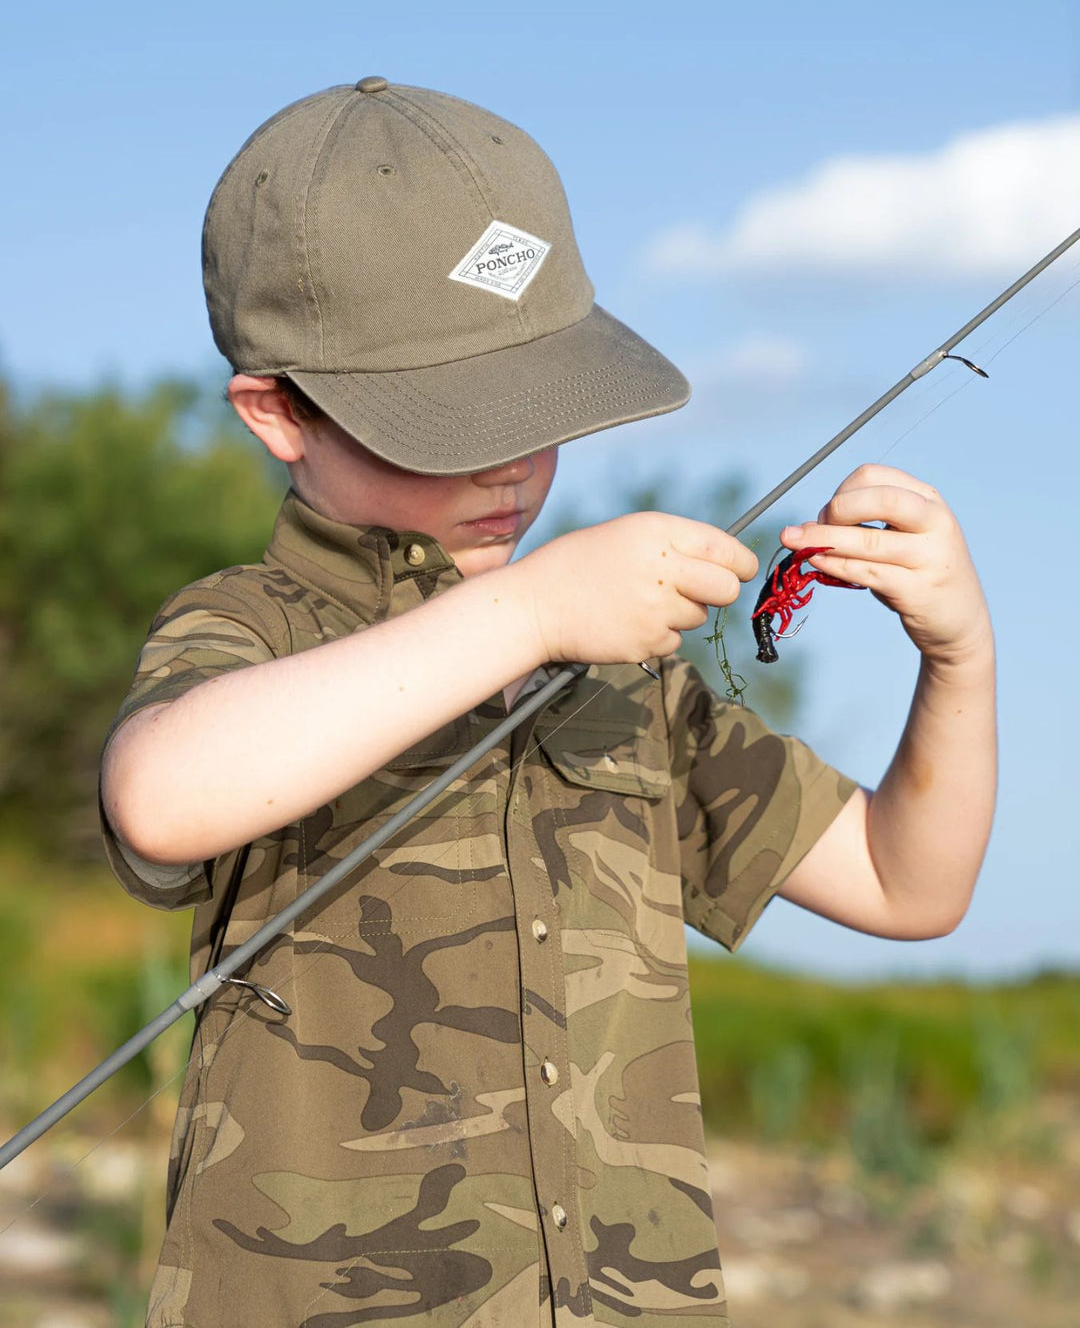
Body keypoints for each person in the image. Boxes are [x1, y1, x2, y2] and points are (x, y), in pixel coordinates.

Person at [99, 78, 996, 1328]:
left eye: (537, 406)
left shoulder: (623, 676)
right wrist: (525, 613)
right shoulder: (252, 627)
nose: (511, 462)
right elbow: (162, 794)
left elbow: (911, 884)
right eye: (449, 419)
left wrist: (959, 661)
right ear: (279, 414)